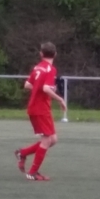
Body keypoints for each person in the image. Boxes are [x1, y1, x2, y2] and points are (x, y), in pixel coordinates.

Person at [15, 42, 67, 181]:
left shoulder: (37, 67)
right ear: (55, 54)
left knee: (53, 140)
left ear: (41, 54)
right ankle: (32, 172)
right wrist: (60, 99)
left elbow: (27, 85)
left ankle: (23, 153)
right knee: (46, 140)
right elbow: (46, 89)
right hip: (40, 109)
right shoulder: (51, 69)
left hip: (37, 107)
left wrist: (41, 88)